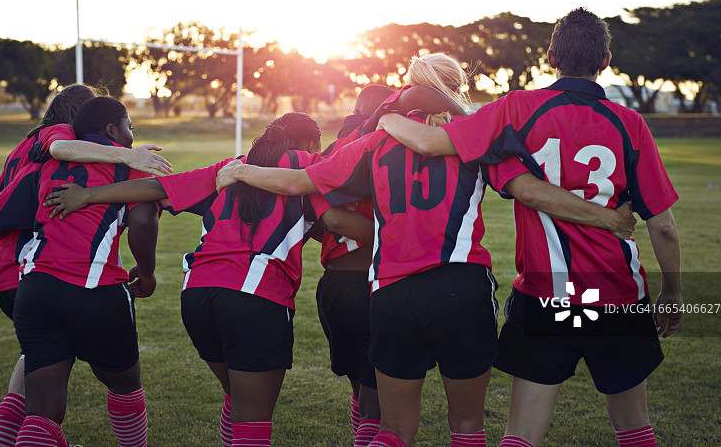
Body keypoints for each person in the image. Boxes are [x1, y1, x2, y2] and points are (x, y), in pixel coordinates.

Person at [212, 53, 635, 447]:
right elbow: (529, 190)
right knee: (467, 426)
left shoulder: (374, 141)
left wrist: (241, 170)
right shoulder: (477, 139)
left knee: (393, 430)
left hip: (393, 292)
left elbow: (297, 182)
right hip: (461, 285)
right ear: (455, 88)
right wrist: (607, 218)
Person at [376, 8, 682, 447]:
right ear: (606, 60)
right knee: (635, 431)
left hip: (546, 292)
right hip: (617, 292)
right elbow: (664, 227)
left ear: (552, 57)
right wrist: (672, 292)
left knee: (520, 437)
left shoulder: (519, 107)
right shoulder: (629, 122)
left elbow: (429, 141)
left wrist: (385, 117)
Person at [43, 112, 374, 447]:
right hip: (255, 294)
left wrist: (87, 195)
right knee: (252, 419)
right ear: (309, 143)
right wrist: (399, 232)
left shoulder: (230, 166)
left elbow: (157, 188)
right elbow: (336, 220)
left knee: (237, 399)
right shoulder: (307, 164)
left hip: (198, 294)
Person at [0, 84, 171, 447]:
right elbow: (143, 221)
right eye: (130, 125)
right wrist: (147, 270)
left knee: (42, 408)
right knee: (124, 384)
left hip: (34, 287)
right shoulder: (130, 161)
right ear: (112, 130)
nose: (133, 134)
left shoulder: (45, 163)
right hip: (94, 287)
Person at [320, 79, 468, 447]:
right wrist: (393, 230)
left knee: (360, 389)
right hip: (377, 279)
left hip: (333, 284)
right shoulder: (392, 140)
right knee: (378, 408)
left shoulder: (332, 149)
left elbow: (323, 218)